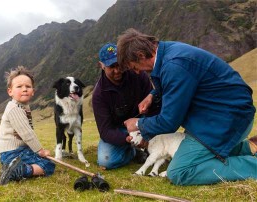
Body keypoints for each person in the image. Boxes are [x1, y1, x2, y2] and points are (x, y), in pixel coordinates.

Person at [117, 28, 257, 185]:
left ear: (141, 56)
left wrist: (137, 124)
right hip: (221, 114)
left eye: (135, 67)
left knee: (179, 171)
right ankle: (251, 147)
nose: (137, 72)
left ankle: (253, 167)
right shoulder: (167, 52)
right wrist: (152, 95)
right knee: (199, 153)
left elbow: (169, 121)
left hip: (227, 119)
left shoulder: (174, 65)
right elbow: (178, 82)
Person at [92, 43, 161, 169]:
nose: (117, 70)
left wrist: (147, 131)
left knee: (161, 143)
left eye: (119, 64)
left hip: (143, 125)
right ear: (101, 65)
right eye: (111, 67)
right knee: (105, 160)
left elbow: (154, 104)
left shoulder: (138, 75)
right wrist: (129, 139)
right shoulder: (99, 94)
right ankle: (134, 152)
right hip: (120, 132)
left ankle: (150, 148)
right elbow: (105, 131)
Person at [0, 66, 55, 185]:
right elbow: (27, 133)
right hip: (12, 153)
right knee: (48, 165)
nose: (24, 89)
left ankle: (11, 167)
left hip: (15, 152)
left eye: (28, 87)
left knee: (43, 159)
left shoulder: (22, 107)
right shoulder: (15, 109)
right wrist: (40, 151)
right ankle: (20, 170)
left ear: (33, 91)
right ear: (10, 91)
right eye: (19, 86)